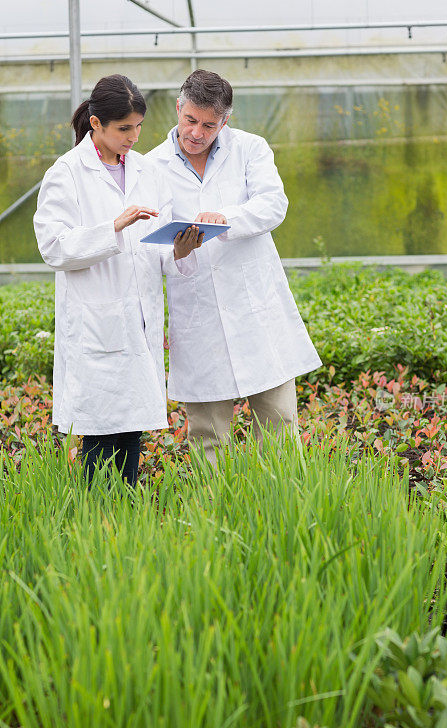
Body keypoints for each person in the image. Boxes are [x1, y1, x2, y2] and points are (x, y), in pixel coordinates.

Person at [33, 74, 203, 486]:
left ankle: (123, 514)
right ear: (96, 124)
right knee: (100, 430)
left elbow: (154, 248)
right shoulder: (68, 172)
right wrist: (113, 227)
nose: (134, 136)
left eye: (139, 126)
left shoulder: (147, 170)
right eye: (124, 128)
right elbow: (54, 246)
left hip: (139, 318)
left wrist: (179, 249)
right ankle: (97, 518)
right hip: (97, 319)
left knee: (131, 428)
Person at [146, 69, 321, 465]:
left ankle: (282, 505)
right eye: (190, 120)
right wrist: (178, 252)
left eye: (209, 125)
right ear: (178, 107)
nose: (197, 132)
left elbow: (273, 204)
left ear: (226, 121)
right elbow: (151, 241)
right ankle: (214, 511)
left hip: (256, 308)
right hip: (198, 313)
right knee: (207, 434)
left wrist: (225, 219)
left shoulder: (250, 149)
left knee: (279, 423)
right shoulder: (151, 166)